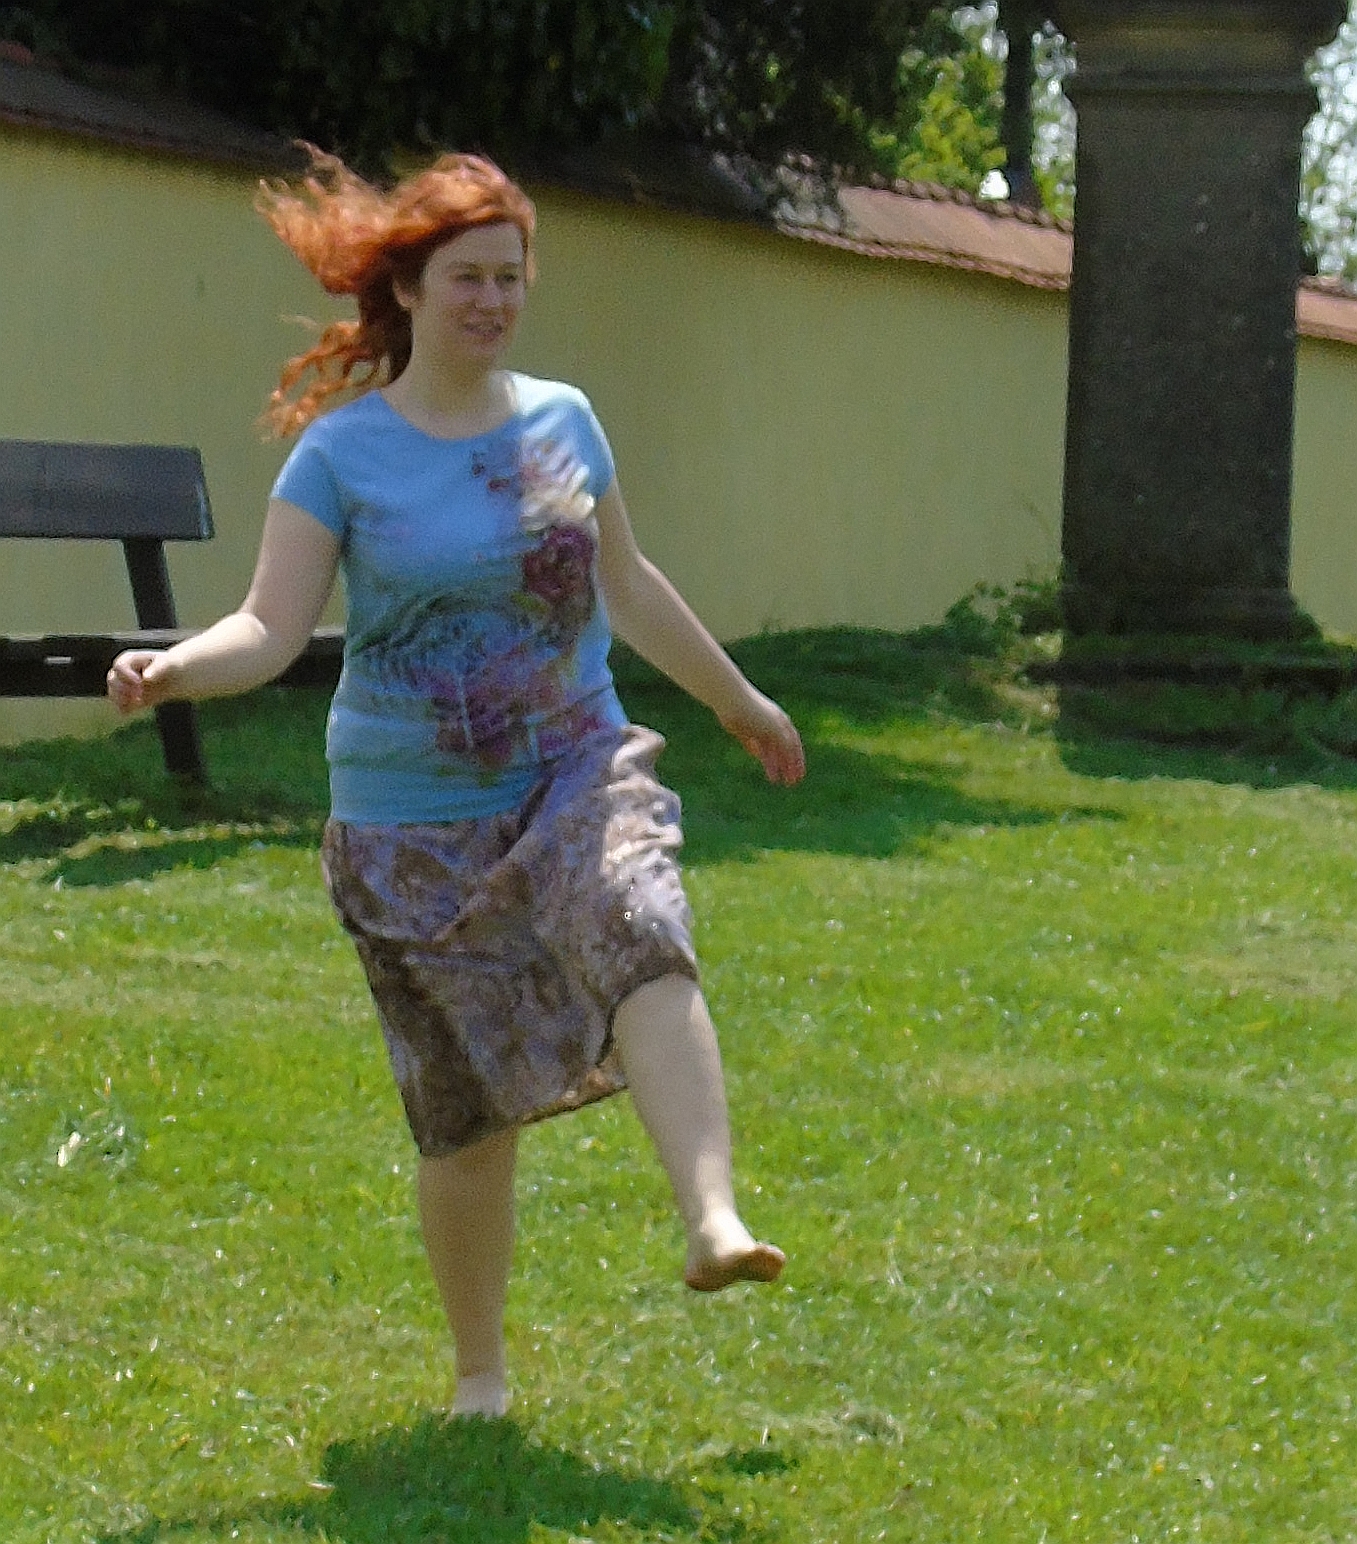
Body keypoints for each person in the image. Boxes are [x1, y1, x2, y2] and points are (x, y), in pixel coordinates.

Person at [107, 146, 805, 1420]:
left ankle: (712, 1216)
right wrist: (175, 668)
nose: (492, 299)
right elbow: (270, 625)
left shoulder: (563, 422)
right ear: (409, 290)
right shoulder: (343, 457)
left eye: (509, 276)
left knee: (641, 925)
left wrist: (738, 699)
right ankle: (479, 1372)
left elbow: (627, 584)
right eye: (466, 277)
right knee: (467, 1113)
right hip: (409, 819)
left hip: (573, 763)